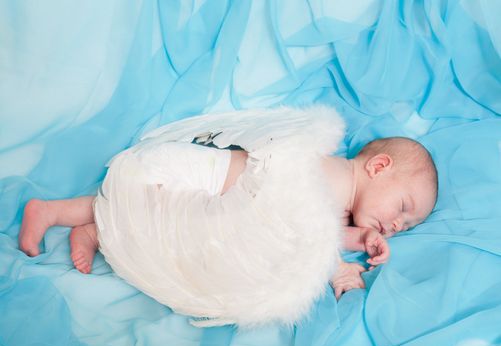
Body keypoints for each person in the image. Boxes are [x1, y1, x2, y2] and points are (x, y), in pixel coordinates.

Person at [17, 107, 438, 327]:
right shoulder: (327, 174)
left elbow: (314, 227)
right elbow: (301, 232)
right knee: (139, 204)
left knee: (149, 222)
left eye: (409, 225)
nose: (400, 225)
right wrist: (341, 271)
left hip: (195, 193)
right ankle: (52, 211)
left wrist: (361, 239)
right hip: (183, 172)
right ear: (378, 167)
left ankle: (93, 231)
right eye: (403, 208)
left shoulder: (335, 197)